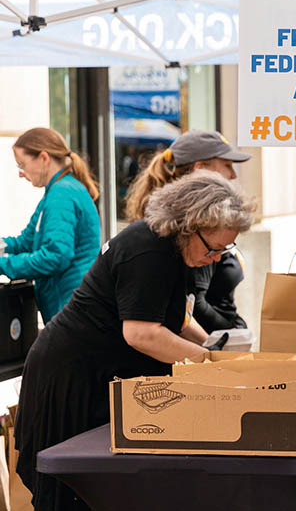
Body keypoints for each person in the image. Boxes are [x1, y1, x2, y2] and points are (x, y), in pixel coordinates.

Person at [15, 171, 250, 511]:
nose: (216, 258)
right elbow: (142, 332)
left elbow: (176, 319)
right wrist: (209, 362)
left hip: (98, 373)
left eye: (226, 249)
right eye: (213, 248)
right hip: (72, 379)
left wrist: (217, 346)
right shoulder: (148, 250)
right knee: (73, 495)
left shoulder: (175, 249)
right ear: (189, 225)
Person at [125, 130, 252, 331]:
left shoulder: (198, 223)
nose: (233, 175)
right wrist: (230, 334)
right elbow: (192, 305)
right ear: (201, 170)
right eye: (227, 165)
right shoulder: (190, 229)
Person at [0, 128, 101, 323]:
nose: (21, 174)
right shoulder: (56, 192)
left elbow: (55, 256)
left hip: (72, 310)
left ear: (44, 158)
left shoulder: (61, 195)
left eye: (22, 165)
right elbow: (26, 242)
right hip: (71, 308)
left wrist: (3, 265)